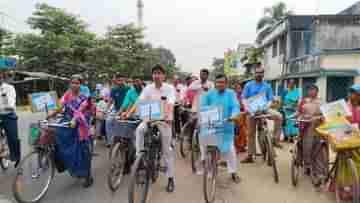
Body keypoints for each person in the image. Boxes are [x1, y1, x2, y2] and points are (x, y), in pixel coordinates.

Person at [127, 64, 176, 193]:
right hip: (150, 117)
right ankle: (140, 158)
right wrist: (130, 112)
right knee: (139, 130)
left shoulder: (169, 88)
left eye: (159, 73)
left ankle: (170, 178)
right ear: (152, 75)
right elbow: (139, 100)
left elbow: (170, 102)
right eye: (154, 73)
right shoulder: (148, 88)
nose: (157, 75)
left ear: (163, 75)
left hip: (164, 119)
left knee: (167, 151)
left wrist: (167, 116)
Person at [47, 75, 94, 188]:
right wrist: (50, 114)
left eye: (77, 83)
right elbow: (60, 106)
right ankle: (65, 164)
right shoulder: (67, 94)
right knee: (57, 135)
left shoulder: (85, 95)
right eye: (72, 83)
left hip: (82, 121)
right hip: (69, 119)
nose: (74, 85)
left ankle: (88, 175)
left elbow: (81, 109)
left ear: (80, 84)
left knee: (83, 148)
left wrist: (74, 119)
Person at [201, 74, 241, 183]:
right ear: (215, 83)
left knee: (231, 151)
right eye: (218, 82)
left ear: (226, 83)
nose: (220, 84)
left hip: (226, 126)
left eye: (222, 82)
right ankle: (208, 170)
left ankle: (233, 172)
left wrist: (234, 115)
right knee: (206, 147)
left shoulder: (231, 94)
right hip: (211, 126)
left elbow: (235, 107)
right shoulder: (209, 94)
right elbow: (203, 107)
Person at [241, 67, 283, 163]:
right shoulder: (248, 85)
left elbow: (270, 99)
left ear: (263, 74)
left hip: (264, 110)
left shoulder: (267, 86)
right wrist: (248, 109)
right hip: (251, 111)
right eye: (257, 72)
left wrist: (264, 107)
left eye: (261, 73)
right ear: (254, 73)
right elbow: (243, 98)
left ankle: (275, 140)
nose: (259, 74)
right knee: (251, 134)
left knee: (279, 116)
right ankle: (250, 155)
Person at [297, 84, 326, 178]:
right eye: (309, 90)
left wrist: (320, 117)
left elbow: (326, 113)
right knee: (307, 147)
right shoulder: (304, 101)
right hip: (307, 127)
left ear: (317, 91)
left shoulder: (322, 102)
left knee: (319, 149)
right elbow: (299, 112)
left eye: (313, 89)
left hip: (319, 128)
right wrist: (296, 117)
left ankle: (319, 170)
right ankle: (307, 166)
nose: (311, 91)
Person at [0, 70, 20, 167]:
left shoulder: (9, 88)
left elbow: (11, 104)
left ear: (2, 77)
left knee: (13, 137)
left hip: (8, 115)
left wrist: (8, 106)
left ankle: (15, 156)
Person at [105, 74, 130, 146]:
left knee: (124, 123)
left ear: (124, 80)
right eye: (119, 80)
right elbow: (111, 100)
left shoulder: (128, 89)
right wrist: (107, 110)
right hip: (116, 110)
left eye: (122, 80)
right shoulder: (113, 89)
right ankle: (111, 141)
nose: (120, 82)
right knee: (108, 121)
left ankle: (125, 140)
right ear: (116, 81)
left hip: (127, 110)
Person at [233, 81, 247, 153]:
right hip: (237, 115)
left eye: (240, 88)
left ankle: (243, 146)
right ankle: (237, 147)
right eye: (237, 88)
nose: (239, 90)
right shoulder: (234, 97)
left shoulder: (244, 96)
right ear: (235, 89)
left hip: (244, 115)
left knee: (244, 131)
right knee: (238, 132)